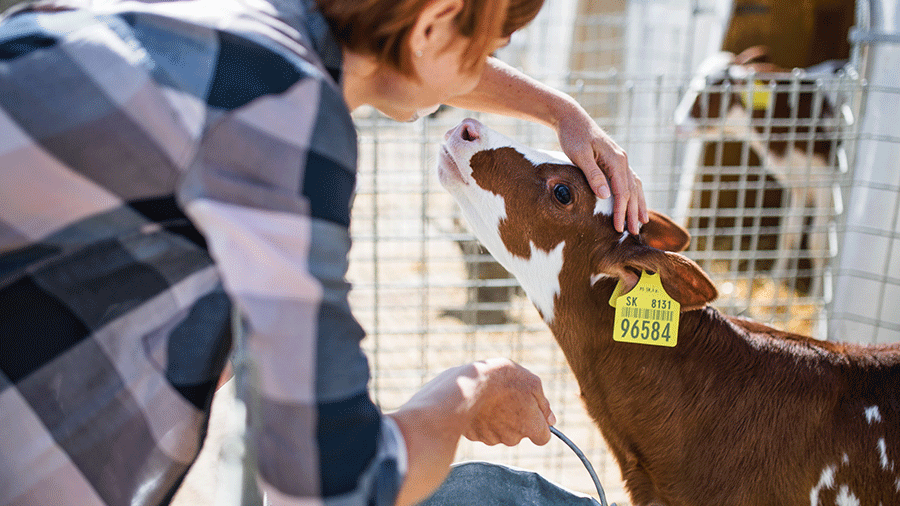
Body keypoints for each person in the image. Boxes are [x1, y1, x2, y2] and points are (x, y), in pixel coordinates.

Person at [0, 0, 647, 505]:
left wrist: (559, 112)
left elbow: (406, 55)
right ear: (436, 23)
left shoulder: (205, 28)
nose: (476, 77)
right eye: (486, 51)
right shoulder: (285, 121)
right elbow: (334, 487)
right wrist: (470, 392)